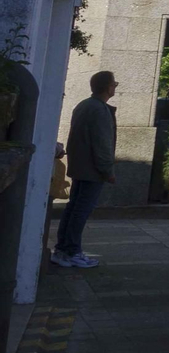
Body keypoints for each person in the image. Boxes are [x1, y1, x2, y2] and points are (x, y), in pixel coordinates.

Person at [53, 70, 119, 268]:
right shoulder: (99, 110)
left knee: (73, 208)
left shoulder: (84, 105)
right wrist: (108, 171)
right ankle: (71, 250)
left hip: (80, 166)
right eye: (114, 83)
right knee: (81, 210)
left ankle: (63, 249)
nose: (115, 86)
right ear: (108, 87)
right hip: (92, 169)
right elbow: (102, 144)